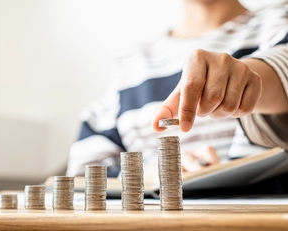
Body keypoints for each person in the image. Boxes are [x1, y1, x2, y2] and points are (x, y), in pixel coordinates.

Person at [66, 0, 288, 188]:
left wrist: (252, 76)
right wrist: (143, 176)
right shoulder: (130, 64)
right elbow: (82, 175)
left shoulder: (279, 22)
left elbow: (281, 68)